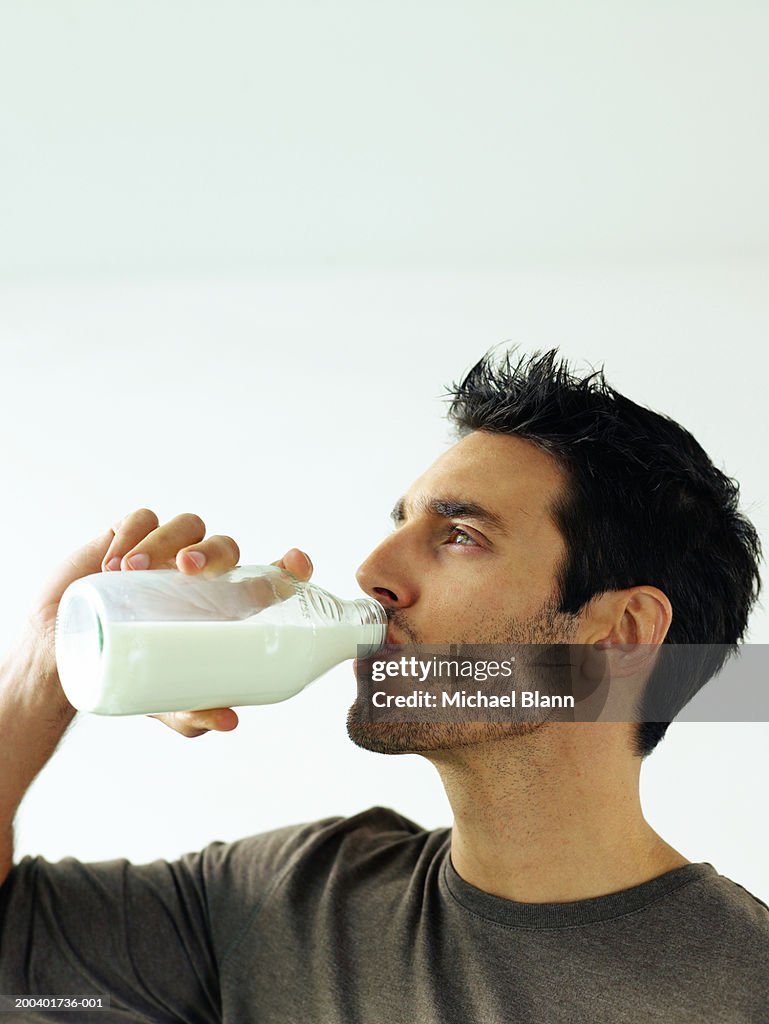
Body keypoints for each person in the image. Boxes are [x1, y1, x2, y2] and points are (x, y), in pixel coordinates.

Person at [0, 348, 766, 1022]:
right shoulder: (288, 901)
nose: (371, 574)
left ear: (622, 631)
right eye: (398, 523)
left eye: (460, 536)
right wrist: (44, 666)